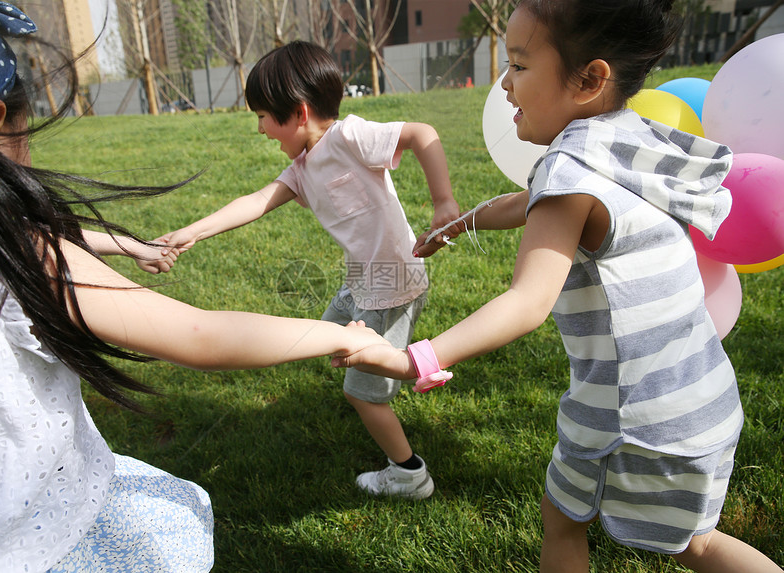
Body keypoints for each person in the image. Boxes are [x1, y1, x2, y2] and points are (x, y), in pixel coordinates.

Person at [0, 3, 389, 572]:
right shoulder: (14, 253)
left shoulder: (6, 243)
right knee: (175, 523)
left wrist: (133, 246)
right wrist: (343, 337)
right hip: (40, 536)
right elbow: (202, 335)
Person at [334, 0, 782, 571]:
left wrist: (413, 359)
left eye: (519, 66)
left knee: (567, 521)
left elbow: (526, 302)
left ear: (590, 79)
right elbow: (532, 204)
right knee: (696, 540)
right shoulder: (625, 138)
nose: (504, 82)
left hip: (630, 416)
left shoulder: (568, 172)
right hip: (702, 397)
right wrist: (462, 222)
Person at [150, 41, 461, 500]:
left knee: (360, 393)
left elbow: (421, 132)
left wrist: (444, 202)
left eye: (262, 116)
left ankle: (409, 472)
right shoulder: (301, 168)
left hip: (390, 288)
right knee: (324, 334)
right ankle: (399, 368)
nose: (259, 129)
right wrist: (191, 232)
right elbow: (255, 202)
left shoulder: (348, 138)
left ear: (298, 113)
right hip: (361, 284)